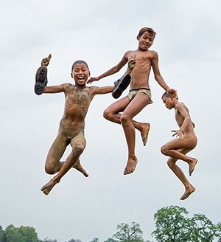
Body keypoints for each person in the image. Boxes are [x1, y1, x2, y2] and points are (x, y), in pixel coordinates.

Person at [88, 27, 176, 175]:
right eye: (145, 38)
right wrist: (98, 77)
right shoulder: (129, 54)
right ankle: (141, 126)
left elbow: (157, 75)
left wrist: (167, 88)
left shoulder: (152, 55)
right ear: (138, 37)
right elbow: (116, 68)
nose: (147, 41)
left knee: (125, 117)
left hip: (143, 92)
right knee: (108, 113)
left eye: (150, 40)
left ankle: (132, 157)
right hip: (131, 93)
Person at [37, 57, 114, 195]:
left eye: (83, 70)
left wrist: (130, 71)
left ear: (89, 74)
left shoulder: (92, 90)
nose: (80, 72)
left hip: (77, 132)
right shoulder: (67, 88)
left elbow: (116, 88)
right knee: (49, 168)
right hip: (63, 133)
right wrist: (43, 68)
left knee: (79, 146)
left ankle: (55, 180)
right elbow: (42, 90)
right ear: (71, 74)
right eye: (76, 70)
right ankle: (74, 163)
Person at [160, 92, 197, 200]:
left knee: (164, 149)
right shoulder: (178, 108)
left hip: (189, 138)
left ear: (172, 97)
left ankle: (190, 160)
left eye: (165, 101)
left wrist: (181, 130)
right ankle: (188, 187)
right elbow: (190, 121)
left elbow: (187, 118)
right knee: (170, 162)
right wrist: (188, 126)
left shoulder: (179, 105)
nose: (165, 105)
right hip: (190, 139)